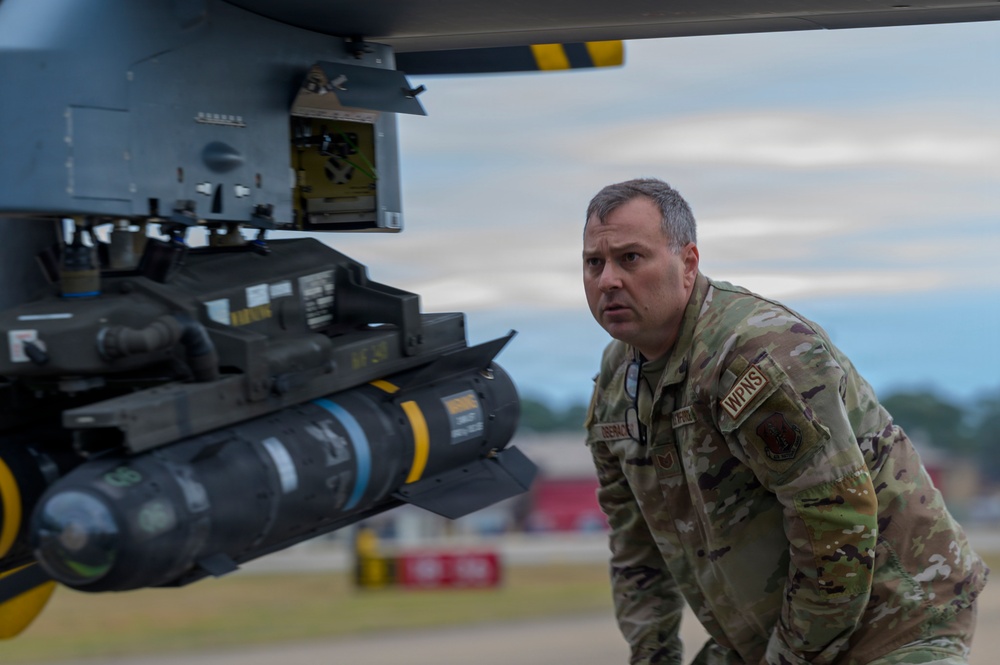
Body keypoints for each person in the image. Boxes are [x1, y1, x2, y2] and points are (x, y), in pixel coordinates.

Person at [581, 178, 987, 665]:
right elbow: (636, 544)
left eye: (630, 258)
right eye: (594, 263)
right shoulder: (614, 386)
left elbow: (835, 520)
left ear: (687, 263)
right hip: (775, 629)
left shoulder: (756, 354)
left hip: (897, 618)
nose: (608, 280)